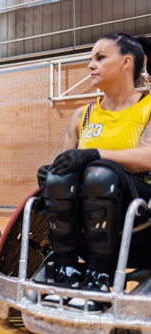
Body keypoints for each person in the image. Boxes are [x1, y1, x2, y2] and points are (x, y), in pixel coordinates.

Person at [37, 33, 151, 297]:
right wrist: (48, 172)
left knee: (99, 173)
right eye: (91, 58)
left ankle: (100, 272)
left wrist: (95, 153)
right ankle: (66, 268)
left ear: (126, 62)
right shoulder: (82, 114)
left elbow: (147, 156)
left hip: (137, 208)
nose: (90, 65)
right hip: (86, 211)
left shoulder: (147, 107)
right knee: (58, 179)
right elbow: (64, 161)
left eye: (100, 58)